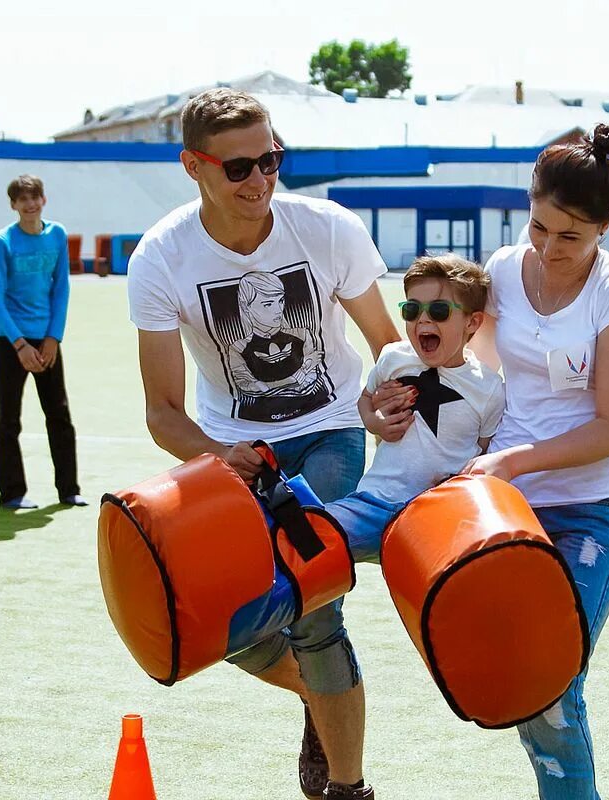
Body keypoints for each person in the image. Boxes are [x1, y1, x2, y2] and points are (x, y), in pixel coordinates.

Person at [126, 88, 400, 800]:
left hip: (333, 428)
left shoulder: (328, 228)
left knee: (313, 601)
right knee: (226, 620)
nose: (260, 181)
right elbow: (161, 411)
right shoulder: (162, 257)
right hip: (234, 449)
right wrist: (218, 454)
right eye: (239, 167)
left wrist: (386, 398)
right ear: (194, 166)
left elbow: (387, 346)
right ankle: (319, 698)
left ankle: (348, 787)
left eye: (271, 160)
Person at [383, 123, 609, 799]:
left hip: (591, 512)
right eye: (539, 227)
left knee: (552, 682)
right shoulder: (501, 270)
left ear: (604, 229)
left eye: (572, 236)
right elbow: (451, 351)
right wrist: (382, 404)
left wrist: (511, 463)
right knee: (524, 682)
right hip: (503, 506)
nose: (550, 249)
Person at [326, 253, 504, 563]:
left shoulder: (488, 389)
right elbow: (365, 399)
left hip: (439, 513)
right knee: (313, 536)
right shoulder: (394, 358)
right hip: (374, 500)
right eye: (412, 310)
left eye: (439, 310)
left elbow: (485, 453)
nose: (423, 320)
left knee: (444, 593)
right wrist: (374, 423)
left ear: (472, 322)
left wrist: (460, 482)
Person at [0, 174, 85, 510]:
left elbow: (62, 289)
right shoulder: (1, 242)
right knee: (9, 419)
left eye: (34, 198)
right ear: (13, 205)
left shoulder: (56, 235)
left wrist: (53, 338)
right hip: (11, 342)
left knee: (59, 414)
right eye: (22, 200)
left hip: (47, 341)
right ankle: (12, 493)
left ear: (44, 200)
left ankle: (69, 490)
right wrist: (19, 345)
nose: (29, 205)